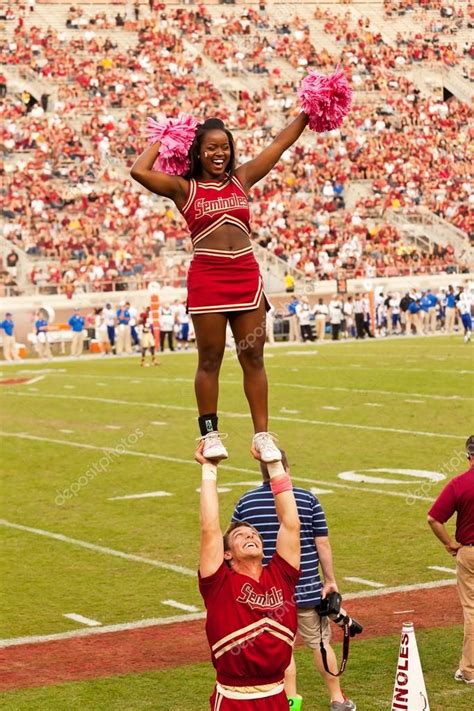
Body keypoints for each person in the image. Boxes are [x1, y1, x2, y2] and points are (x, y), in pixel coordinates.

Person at [131, 112, 310, 462]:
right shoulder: (184, 188)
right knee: (210, 359)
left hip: (245, 275)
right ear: (196, 151)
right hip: (208, 279)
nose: (219, 154)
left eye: (225, 147)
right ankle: (210, 434)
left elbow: (279, 144)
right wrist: (167, 137)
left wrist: (306, 112)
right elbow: (139, 171)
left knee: (254, 356)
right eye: (211, 147)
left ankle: (262, 436)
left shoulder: (241, 179)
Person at [232, 451, 356, 711]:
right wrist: (330, 580)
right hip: (308, 587)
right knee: (320, 645)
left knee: (282, 649)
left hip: (268, 593)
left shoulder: (246, 501)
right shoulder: (307, 498)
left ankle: (290, 703)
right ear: (285, 467)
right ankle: (337, 699)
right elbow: (322, 541)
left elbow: (233, 545)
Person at [195, 440, 301, 709]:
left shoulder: (281, 574)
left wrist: (275, 464)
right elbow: (209, 528)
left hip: (277, 695)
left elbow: (290, 523)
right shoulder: (218, 582)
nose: (250, 535)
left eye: (254, 534)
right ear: (227, 553)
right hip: (234, 698)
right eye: (241, 536)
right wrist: (209, 469)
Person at [427, 435, 474, 685]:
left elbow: (434, 518)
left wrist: (449, 544)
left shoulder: (460, 484)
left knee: (472, 611)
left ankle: (470, 669)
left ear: (469, 457)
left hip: (470, 552)